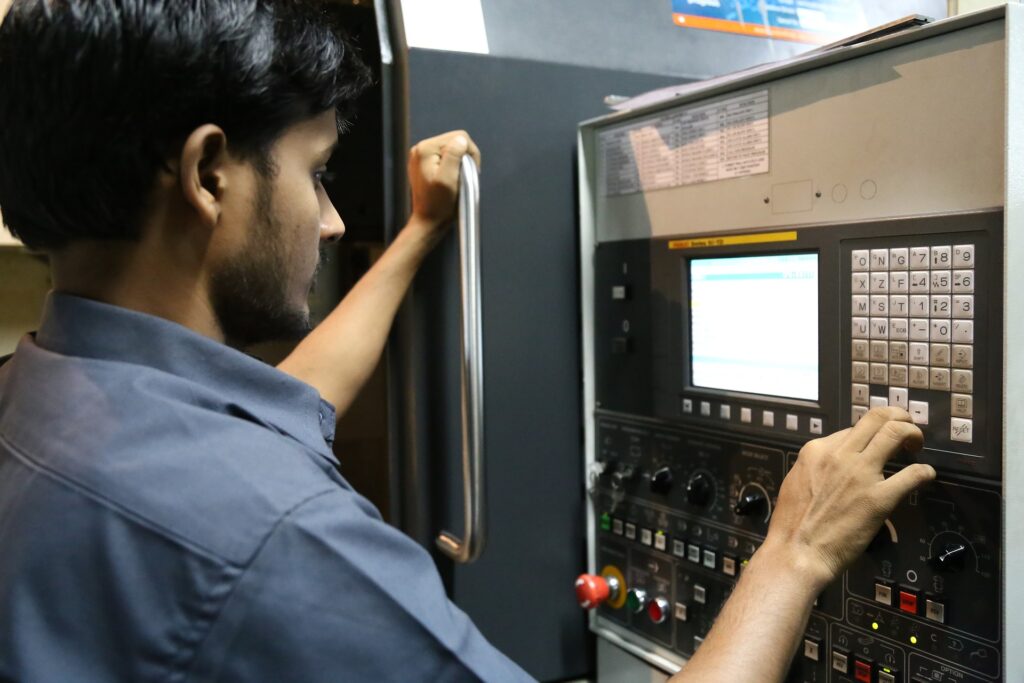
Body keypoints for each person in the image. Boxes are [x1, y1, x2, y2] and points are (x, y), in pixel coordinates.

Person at [0, 2, 935, 682]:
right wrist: (795, 553)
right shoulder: (276, 540)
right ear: (210, 172)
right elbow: (249, 502)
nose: (329, 222)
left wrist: (421, 235)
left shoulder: (47, 393)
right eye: (316, 173)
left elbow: (291, 403)